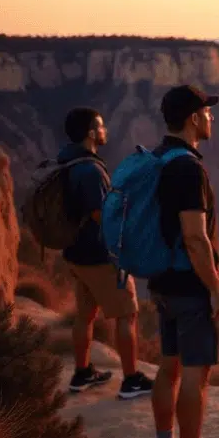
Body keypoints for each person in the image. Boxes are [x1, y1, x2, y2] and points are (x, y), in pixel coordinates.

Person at [145, 85, 219, 438]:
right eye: (207, 111)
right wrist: (215, 289)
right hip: (189, 287)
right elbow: (195, 237)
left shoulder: (160, 158)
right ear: (193, 118)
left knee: (169, 368)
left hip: (163, 282)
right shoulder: (188, 168)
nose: (211, 118)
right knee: (195, 378)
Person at [59, 107, 153, 400]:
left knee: (85, 315)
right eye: (100, 126)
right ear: (90, 133)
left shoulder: (67, 162)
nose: (105, 130)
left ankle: (82, 372)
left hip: (76, 253)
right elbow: (103, 216)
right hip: (99, 257)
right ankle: (132, 379)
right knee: (127, 314)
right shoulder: (90, 171)